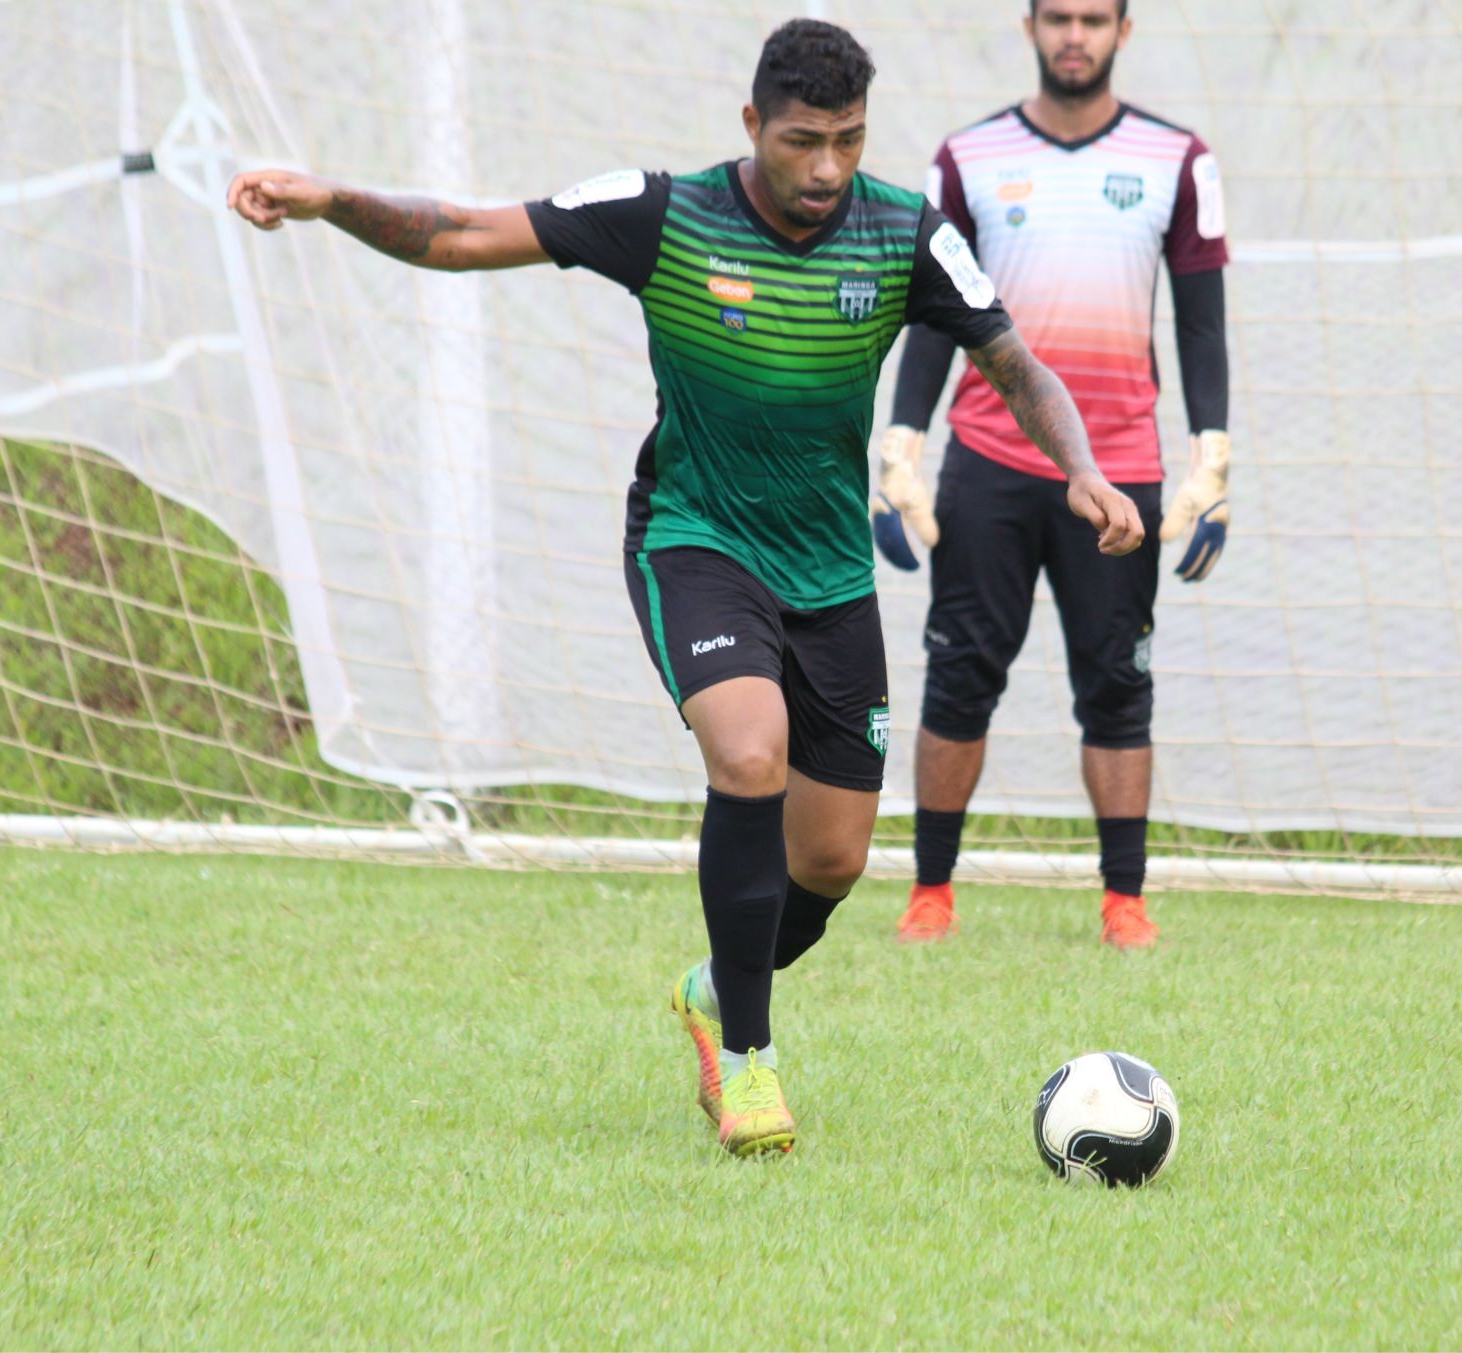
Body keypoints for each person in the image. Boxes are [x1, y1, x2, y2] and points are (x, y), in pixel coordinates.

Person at [226, 18, 1143, 1157]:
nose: (824, 170)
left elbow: (1017, 363)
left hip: (828, 571)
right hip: (694, 540)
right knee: (747, 751)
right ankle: (751, 1065)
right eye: (803, 141)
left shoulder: (905, 230)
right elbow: (463, 233)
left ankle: (714, 992)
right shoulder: (667, 213)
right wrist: (329, 200)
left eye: (848, 142)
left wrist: (1087, 472)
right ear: (751, 124)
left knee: (833, 860)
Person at [871, 0, 1232, 950]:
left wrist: (1213, 456)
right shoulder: (966, 158)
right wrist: (900, 445)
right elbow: (931, 317)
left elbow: (1200, 322)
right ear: (1029, 25)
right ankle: (930, 893)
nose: (1075, 35)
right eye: (1059, 17)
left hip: (1119, 471)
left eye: (1094, 18)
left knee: (1118, 684)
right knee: (959, 678)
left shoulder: (1177, 158)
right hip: (988, 463)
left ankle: (1124, 902)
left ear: (1124, 29)